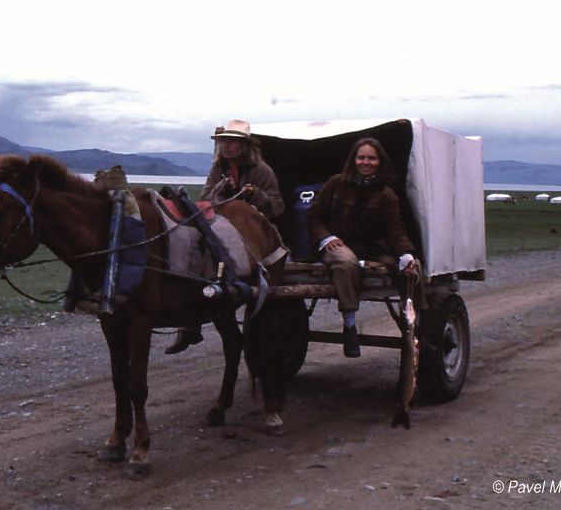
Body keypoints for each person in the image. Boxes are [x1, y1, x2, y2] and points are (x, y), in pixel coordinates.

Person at [165, 118, 285, 354]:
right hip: (221, 226)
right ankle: (189, 325)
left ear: (244, 145)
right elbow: (205, 198)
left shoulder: (262, 170)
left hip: (255, 230)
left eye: (232, 141)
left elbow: (277, 207)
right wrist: (222, 189)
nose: (226, 146)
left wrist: (255, 194)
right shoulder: (217, 168)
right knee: (192, 256)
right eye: (223, 142)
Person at [307, 137, 420, 358]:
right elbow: (314, 216)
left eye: (371, 158)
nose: (365, 162)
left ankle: (417, 326)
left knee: (409, 269)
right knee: (346, 262)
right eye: (361, 157)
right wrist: (326, 238)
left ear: (380, 162)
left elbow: (395, 230)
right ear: (353, 160)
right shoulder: (336, 184)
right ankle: (349, 324)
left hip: (372, 249)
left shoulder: (386, 194)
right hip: (337, 244)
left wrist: (406, 254)